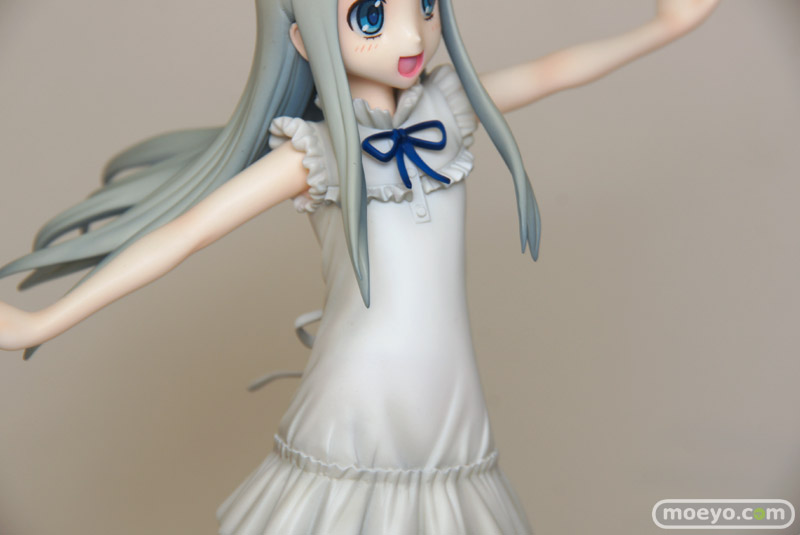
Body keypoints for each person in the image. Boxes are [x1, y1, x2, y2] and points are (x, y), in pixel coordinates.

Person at [0, 0, 719, 532]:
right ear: (302, 37)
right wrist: (43, 320)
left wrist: (663, 28)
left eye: (425, 6)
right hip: (357, 399)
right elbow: (184, 234)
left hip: (450, 400)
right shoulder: (312, 153)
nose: (411, 36)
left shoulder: (450, 109)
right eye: (372, 15)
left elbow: (554, 70)